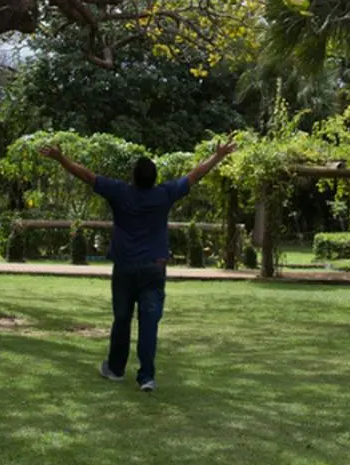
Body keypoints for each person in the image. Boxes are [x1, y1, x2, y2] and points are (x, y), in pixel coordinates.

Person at [40, 137, 238, 390]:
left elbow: (88, 176)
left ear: (133, 177)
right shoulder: (164, 194)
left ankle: (115, 369)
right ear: (155, 178)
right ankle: (146, 377)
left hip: (124, 267)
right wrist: (218, 156)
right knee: (148, 323)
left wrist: (60, 158)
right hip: (154, 268)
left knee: (122, 319)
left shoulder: (120, 192)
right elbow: (194, 175)